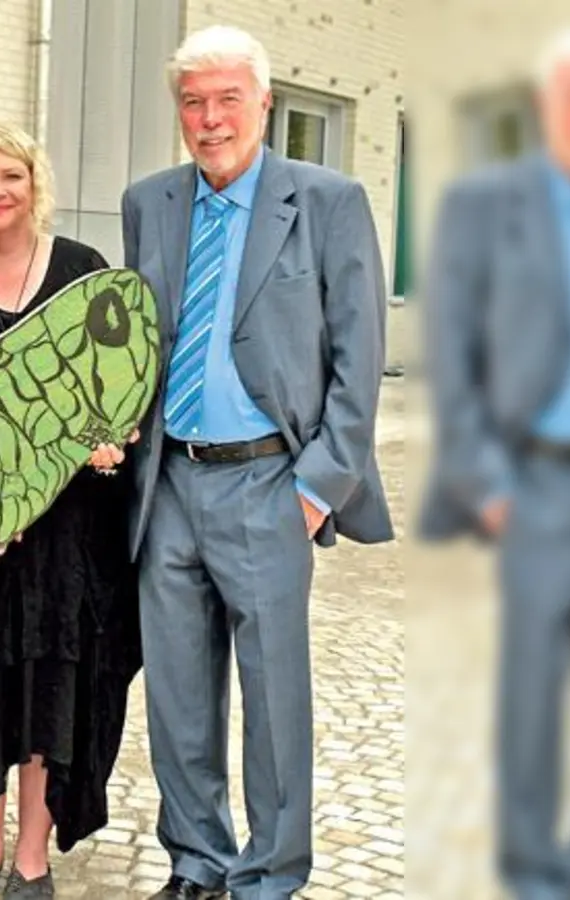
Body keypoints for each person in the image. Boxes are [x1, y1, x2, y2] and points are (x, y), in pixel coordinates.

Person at [120, 26, 392, 900]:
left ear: (264, 103)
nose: (209, 119)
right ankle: (196, 863)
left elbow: (360, 357)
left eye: (227, 98)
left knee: (274, 700)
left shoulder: (329, 201)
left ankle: (269, 876)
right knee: (177, 697)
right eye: (193, 102)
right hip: (171, 483)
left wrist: (318, 488)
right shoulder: (150, 203)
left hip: (271, 483)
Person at [419, 26, 570, 900]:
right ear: (547, 108)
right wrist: (485, 480)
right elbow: (450, 347)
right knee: (533, 697)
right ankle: (535, 869)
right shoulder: (483, 205)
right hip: (538, 479)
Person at [0, 123, 142, 900]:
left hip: (69, 532)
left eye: (10, 175)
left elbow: (121, 384)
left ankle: (34, 855)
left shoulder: (82, 272)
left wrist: (117, 440)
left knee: (52, 688)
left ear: (34, 181)